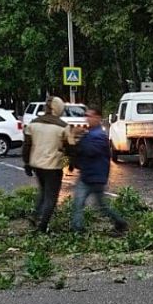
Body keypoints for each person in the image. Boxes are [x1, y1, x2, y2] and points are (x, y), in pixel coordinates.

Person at [70, 107, 128, 236]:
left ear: (97, 118)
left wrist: (77, 140)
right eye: (86, 116)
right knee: (97, 205)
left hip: (94, 176)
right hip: (90, 174)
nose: (87, 118)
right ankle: (120, 223)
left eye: (90, 116)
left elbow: (90, 151)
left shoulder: (99, 135)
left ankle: (77, 230)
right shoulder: (91, 133)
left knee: (81, 203)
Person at [22, 97, 74, 233]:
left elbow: (26, 145)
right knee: (51, 197)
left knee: (43, 191)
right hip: (53, 166)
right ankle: (43, 226)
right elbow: (70, 148)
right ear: (59, 109)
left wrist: (27, 163)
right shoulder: (63, 126)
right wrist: (68, 164)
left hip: (36, 165)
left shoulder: (33, 123)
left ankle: (35, 215)